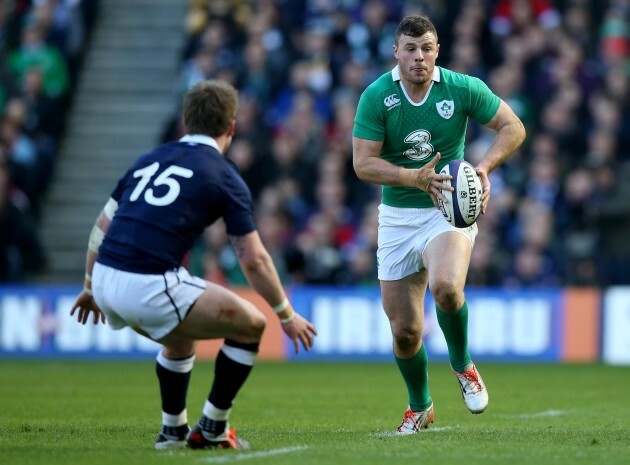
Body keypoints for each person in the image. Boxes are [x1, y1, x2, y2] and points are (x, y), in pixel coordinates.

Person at [70, 79, 317, 450]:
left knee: (180, 339)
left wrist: (90, 287)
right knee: (252, 324)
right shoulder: (223, 174)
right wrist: (286, 314)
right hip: (147, 284)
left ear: (186, 123)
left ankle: (173, 431)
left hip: (105, 280)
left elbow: (99, 229)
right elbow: (253, 258)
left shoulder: (149, 159)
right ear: (231, 127)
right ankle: (214, 427)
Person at [352, 15, 526, 434]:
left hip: (447, 207)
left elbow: (513, 127)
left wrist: (483, 169)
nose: (419, 57)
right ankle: (420, 406)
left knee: (447, 287)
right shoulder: (377, 96)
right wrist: (412, 177)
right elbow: (363, 164)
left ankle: (463, 365)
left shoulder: (462, 88)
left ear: (437, 51)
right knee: (406, 332)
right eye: (410, 49)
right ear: (396, 52)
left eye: (426, 48)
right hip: (397, 216)